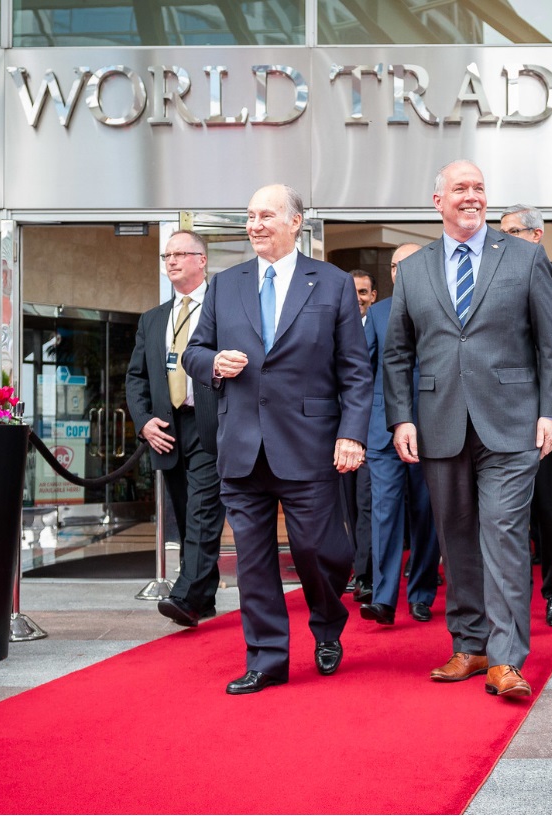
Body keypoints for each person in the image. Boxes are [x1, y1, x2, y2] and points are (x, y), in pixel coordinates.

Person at [383, 160, 552, 698]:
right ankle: (469, 645)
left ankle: (506, 659)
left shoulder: (525, 257)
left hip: (512, 426)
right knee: (456, 539)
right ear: (437, 201)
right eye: (460, 189)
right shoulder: (414, 268)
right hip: (439, 425)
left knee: (505, 536)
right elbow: (397, 354)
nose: (472, 196)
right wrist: (401, 418)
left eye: (479, 188)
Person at [183, 183, 373, 695]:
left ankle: (328, 620)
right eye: (249, 216)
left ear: (295, 222)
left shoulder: (331, 284)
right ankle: (267, 658)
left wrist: (351, 434)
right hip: (242, 445)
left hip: (309, 444)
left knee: (319, 550)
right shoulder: (226, 285)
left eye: (267, 215)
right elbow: (193, 352)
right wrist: (214, 365)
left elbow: (355, 372)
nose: (255, 224)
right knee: (254, 560)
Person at [125, 229, 223, 628]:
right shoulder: (152, 319)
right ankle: (205, 594)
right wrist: (144, 420)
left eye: (180, 254)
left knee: (202, 509)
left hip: (210, 420)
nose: (171, 261)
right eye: (167, 256)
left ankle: (185, 596)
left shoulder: (223, 307)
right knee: (185, 513)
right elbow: (135, 378)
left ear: (201, 260)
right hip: (166, 427)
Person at [499, 205, 552, 628]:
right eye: (502, 232)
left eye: (514, 231)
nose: (505, 238)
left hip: (548, 416)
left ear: (537, 235)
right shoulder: (490, 274)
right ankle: (512, 604)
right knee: (506, 514)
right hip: (502, 416)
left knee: (551, 511)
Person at [360, 242, 441, 626]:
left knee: (427, 516)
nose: (399, 271)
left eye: (406, 264)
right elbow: (362, 373)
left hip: (432, 431)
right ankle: (384, 598)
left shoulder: (442, 307)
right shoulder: (376, 313)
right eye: (394, 266)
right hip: (383, 432)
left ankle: (422, 593)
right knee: (384, 515)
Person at [343, 270, 377, 603]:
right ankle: (355, 567)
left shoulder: (379, 326)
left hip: (370, 433)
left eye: (364, 292)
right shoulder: (332, 328)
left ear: (373, 296)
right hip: (335, 432)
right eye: (352, 292)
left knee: (366, 505)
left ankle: (365, 575)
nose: (357, 298)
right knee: (347, 507)